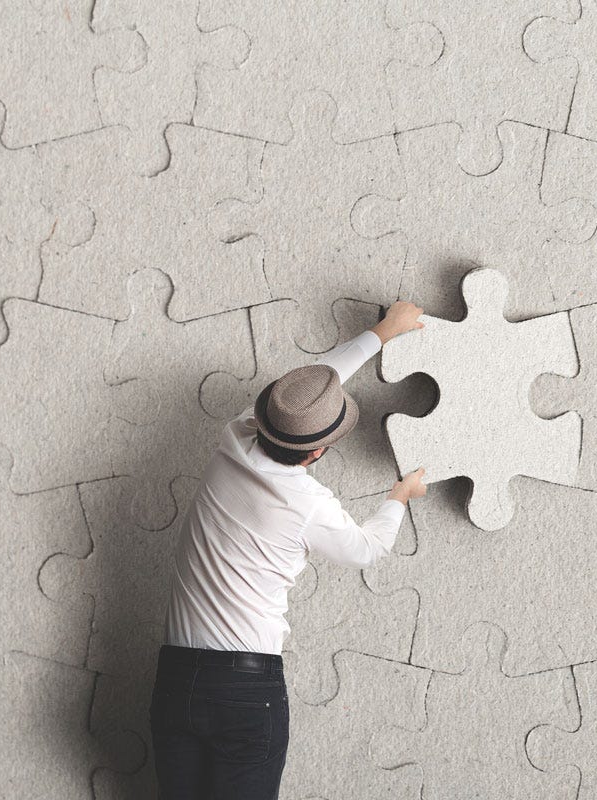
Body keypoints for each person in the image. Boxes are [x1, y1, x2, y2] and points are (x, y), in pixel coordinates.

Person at [148, 300, 428, 799]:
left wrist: (379, 333)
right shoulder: (306, 503)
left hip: (175, 680)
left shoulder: (236, 436)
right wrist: (399, 497)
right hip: (243, 690)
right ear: (318, 453)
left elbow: (302, 396)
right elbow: (366, 549)